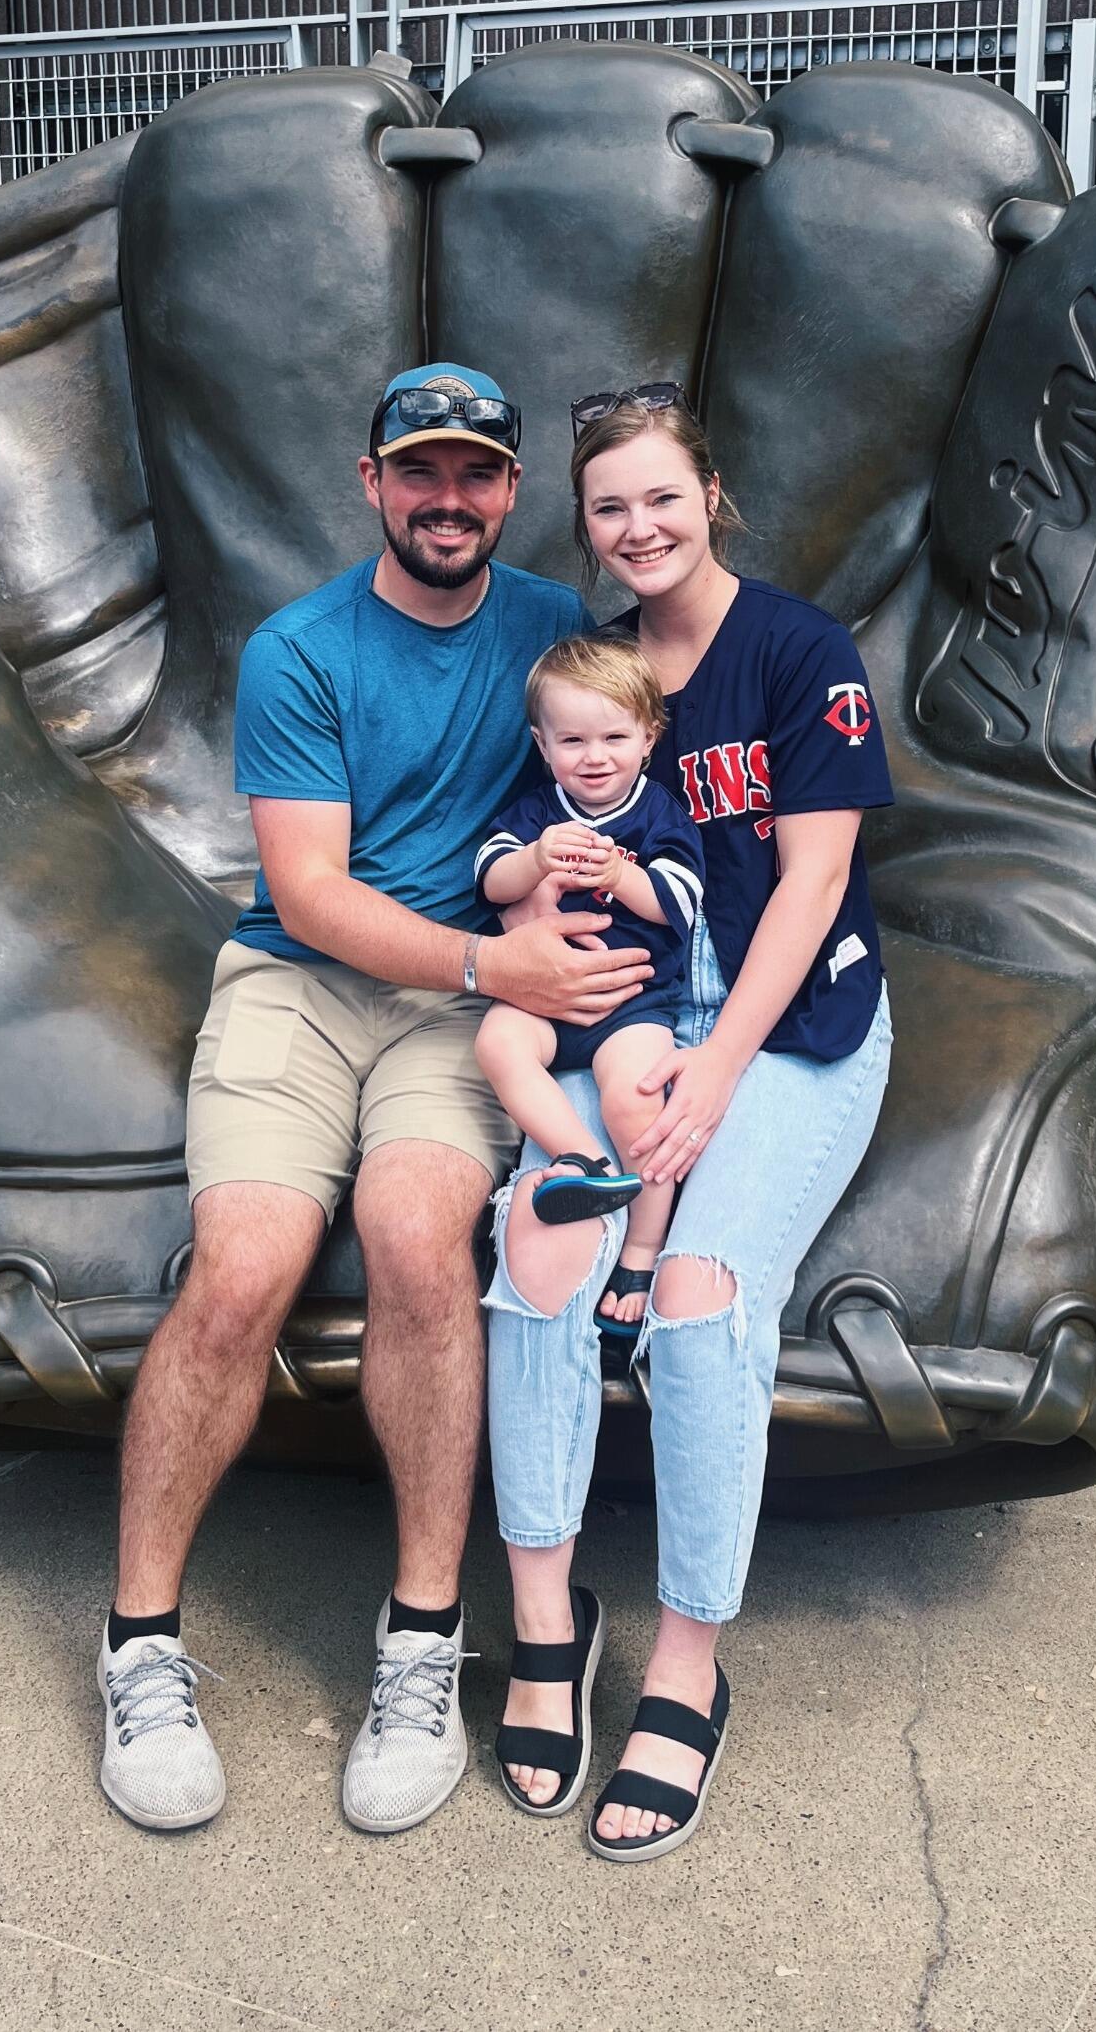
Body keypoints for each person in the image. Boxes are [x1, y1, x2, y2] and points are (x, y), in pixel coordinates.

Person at [96, 364, 652, 1841]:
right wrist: (498, 958)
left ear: (510, 491)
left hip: (458, 1011)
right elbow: (309, 894)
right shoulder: (302, 647)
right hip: (301, 979)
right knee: (249, 1265)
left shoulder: (555, 628)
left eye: (476, 473)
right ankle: (139, 1644)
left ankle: (420, 1642)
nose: (448, 498)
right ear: (372, 484)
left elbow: (661, 723)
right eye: (422, 472)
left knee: (419, 1239)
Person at [484, 384, 894, 1860]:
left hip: (789, 1023)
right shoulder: (585, 675)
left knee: (705, 1294)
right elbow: (531, 861)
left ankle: (683, 1670)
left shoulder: (799, 651)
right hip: (625, 1016)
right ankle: (545, 1622)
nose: (637, 526)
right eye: (608, 505)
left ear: (709, 493)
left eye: (662, 495)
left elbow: (813, 883)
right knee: (537, 1248)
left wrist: (719, 1068)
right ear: (583, 524)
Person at [472, 634, 704, 1331]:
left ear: (647, 737)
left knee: (637, 1099)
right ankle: (584, 1160)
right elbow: (488, 877)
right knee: (497, 1046)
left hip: (629, 1003)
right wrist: (534, 861)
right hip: (541, 997)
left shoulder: (659, 812)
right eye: (571, 740)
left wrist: (620, 876)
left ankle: (640, 1249)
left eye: (613, 736)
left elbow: (680, 903)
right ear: (542, 747)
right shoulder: (537, 814)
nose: (593, 756)